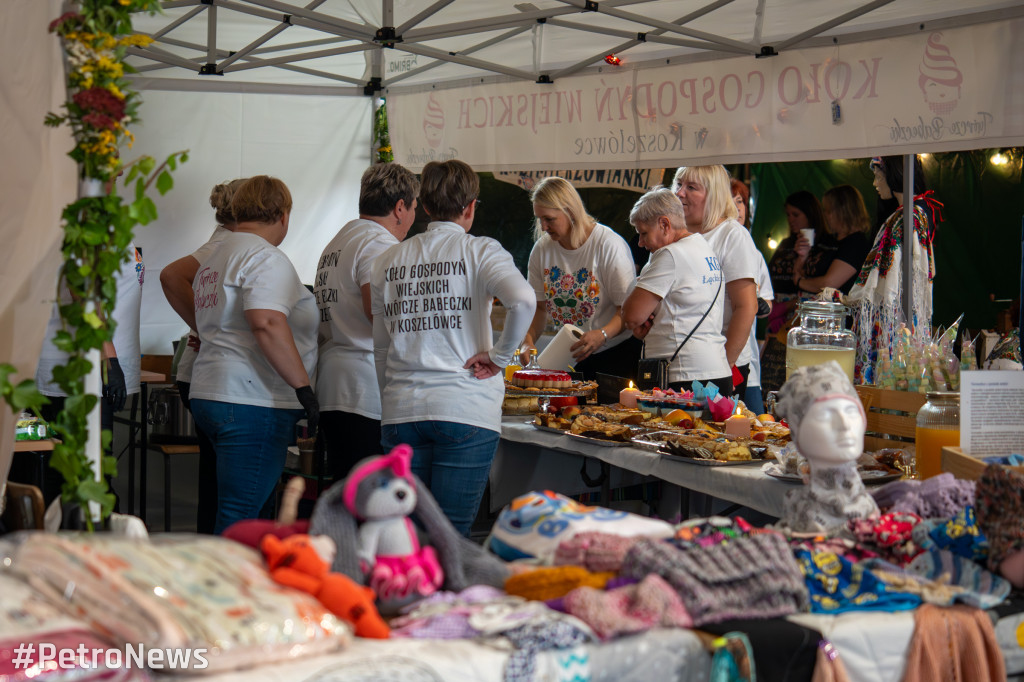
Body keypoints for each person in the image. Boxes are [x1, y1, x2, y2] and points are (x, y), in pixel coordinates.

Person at [372, 159, 534, 537]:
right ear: (470, 206)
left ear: (424, 206)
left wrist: (391, 398)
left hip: (400, 409)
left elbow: (380, 347)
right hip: (464, 407)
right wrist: (499, 359)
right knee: (449, 540)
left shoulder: (386, 260)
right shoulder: (480, 251)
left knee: (404, 539)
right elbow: (524, 301)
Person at [188, 176, 319, 534]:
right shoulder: (264, 256)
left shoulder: (216, 258)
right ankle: (222, 588)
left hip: (212, 392)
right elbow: (266, 322)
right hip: (251, 401)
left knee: (237, 508)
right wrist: (304, 388)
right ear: (283, 215)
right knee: (242, 517)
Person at [314, 163, 419, 481]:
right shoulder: (379, 244)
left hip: (336, 382)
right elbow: (379, 311)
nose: (412, 218)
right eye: (413, 208)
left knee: (345, 492)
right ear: (400, 208)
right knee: (368, 500)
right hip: (364, 388)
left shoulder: (340, 240)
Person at [159, 178, 244, 534]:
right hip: (206, 376)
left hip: (199, 375)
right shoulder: (225, 246)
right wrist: (206, 329)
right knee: (220, 483)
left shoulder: (224, 244)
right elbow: (171, 275)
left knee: (214, 479)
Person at [36, 242, 143, 510]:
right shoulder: (86, 234)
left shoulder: (112, 231)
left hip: (95, 370)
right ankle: (87, 545)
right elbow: (85, 299)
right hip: (84, 371)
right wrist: (110, 359)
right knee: (88, 475)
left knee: (83, 471)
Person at [519, 177, 639, 379]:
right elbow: (539, 308)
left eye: (549, 219)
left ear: (569, 211)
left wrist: (602, 334)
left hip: (614, 356)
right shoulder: (541, 250)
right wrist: (527, 340)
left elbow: (627, 311)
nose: (544, 226)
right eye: (539, 219)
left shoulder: (608, 245)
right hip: (570, 355)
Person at [621, 188, 731, 393]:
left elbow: (631, 316)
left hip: (684, 377)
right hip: (716, 371)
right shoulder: (703, 247)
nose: (641, 243)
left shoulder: (670, 255)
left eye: (644, 233)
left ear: (664, 224)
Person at [847, 155, 941, 384]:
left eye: (878, 176)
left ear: (894, 175)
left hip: (896, 314)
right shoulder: (907, 213)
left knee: (890, 375)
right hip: (894, 311)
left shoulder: (911, 214)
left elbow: (903, 272)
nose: (875, 183)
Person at [672, 165, 759, 397]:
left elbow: (746, 306)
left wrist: (724, 367)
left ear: (715, 194)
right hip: (674, 362)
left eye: (691, 187)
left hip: (717, 366)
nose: (680, 193)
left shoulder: (731, 235)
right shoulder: (669, 233)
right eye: (678, 184)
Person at [731, 178, 774, 415]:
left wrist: (753, 303)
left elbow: (767, 300)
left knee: (757, 423)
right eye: (731, 201)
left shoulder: (754, 253)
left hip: (748, 363)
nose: (737, 208)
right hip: (716, 361)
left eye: (741, 201)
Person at [793, 184, 871, 296]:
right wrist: (802, 256)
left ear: (842, 212)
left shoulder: (856, 243)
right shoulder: (827, 239)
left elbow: (829, 283)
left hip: (835, 311)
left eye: (828, 211)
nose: (825, 215)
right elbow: (799, 272)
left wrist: (800, 282)